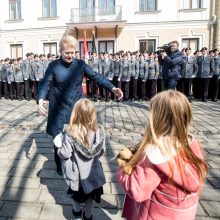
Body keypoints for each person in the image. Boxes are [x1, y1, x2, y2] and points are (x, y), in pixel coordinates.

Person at [116, 90, 208, 220]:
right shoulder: (192, 146)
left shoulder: (155, 155)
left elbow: (138, 191)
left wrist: (123, 168)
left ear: (158, 119)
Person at [38, 36, 123, 175]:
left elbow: (96, 76)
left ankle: (76, 160)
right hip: (59, 108)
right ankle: (60, 166)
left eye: (72, 52)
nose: (70, 56)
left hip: (76, 107)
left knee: (78, 135)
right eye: (67, 53)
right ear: (61, 51)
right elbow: (45, 82)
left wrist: (112, 88)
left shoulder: (80, 64)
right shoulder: (54, 65)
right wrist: (41, 98)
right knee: (58, 139)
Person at [54, 98, 105, 220]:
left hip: (76, 175)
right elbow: (102, 151)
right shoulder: (99, 130)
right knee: (90, 197)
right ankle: (88, 216)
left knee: (76, 197)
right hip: (92, 173)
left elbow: (65, 154)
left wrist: (58, 148)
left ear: (75, 113)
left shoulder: (70, 132)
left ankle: (77, 216)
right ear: (93, 113)